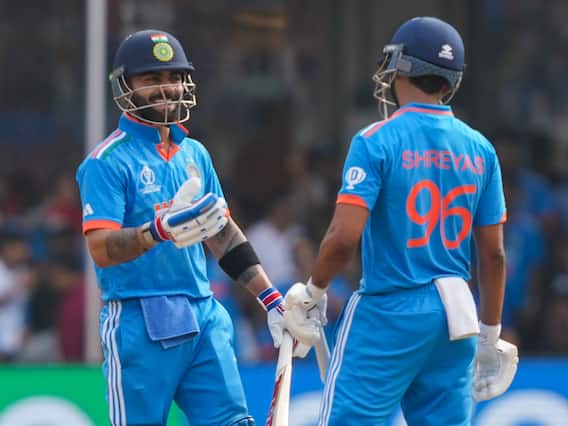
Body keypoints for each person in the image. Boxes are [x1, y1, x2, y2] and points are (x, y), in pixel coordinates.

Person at [282, 17, 518, 425]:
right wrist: (490, 333)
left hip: (389, 308)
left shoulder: (375, 139)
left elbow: (343, 237)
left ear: (400, 68)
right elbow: (494, 255)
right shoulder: (481, 148)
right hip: (456, 316)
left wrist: (313, 291)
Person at [76, 29, 286, 426]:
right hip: (139, 317)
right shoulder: (106, 161)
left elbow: (221, 232)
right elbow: (100, 248)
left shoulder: (195, 153)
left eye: (174, 77)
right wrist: (156, 231)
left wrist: (270, 297)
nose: (167, 88)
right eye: (151, 79)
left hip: (203, 313)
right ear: (125, 86)